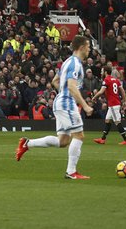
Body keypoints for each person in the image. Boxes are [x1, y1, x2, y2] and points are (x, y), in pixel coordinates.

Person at [15, 35, 94, 179]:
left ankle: (27, 143)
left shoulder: (66, 62)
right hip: (67, 103)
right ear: (81, 47)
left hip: (61, 102)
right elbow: (71, 86)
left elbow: (55, 81)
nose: (89, 49)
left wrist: (63, 93)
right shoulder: (75, 64)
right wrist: (85, 105)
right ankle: (71, 172)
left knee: (63, 141)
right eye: (88, 46)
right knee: (79, 135)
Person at [92, 67, 126, 145]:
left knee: (117, 121)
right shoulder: (115, 80)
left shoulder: (107, 80)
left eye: (102, 71)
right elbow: (121, 90)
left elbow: (101, 91)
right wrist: (124, 100)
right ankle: (103, 139)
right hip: (115, 103)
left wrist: (94, 97)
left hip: (113, 104)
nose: (101, 73)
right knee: (107, 120)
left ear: (105, 72)